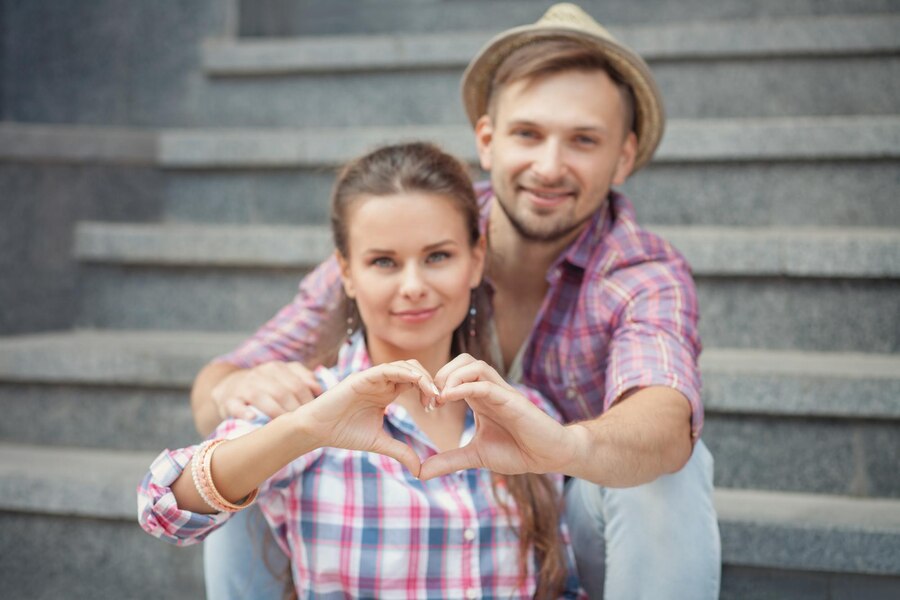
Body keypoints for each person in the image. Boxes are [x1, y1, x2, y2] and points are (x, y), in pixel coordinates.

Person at [191, 3, 721, 598]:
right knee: (250, 449)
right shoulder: (425, 228)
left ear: (622, 156)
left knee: (670, 473)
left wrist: (564, 445)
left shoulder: (642, 271)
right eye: (528, 134)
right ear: (488, 140)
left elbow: (667, 420)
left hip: (563, 516)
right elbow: (219, 381)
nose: (549, 166)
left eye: (582, 141)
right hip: (399, 498)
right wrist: (234, 394)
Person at [139, 142, 587, 599]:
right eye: (383, 262)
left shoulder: (526, 410)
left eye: (437, 257)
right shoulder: (312, 405)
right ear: (347, 273)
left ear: (475, 260)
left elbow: (566, 584)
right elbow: (164, 508)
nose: (413, 286)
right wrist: (303, 430)